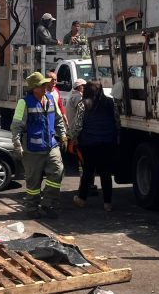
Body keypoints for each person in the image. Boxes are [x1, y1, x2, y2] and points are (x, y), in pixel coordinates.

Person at [11, 71, 67, 218]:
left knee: (57, 172)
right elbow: (16, 126)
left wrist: (63, 135)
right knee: (33, 182)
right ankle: (32, 208)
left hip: (51, 146)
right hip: (32, 150)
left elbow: (58, 119)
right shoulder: (24, 103)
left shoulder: (50, 99)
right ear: (34, 88)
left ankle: (49, 203)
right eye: (42, 85)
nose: (45, 86)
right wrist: (17, 145)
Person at [70, 80, 120, 212]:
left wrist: (73, 138)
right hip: (107, 142)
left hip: (89, 143)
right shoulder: (111, 102)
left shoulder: (83, 104)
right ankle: (107, 203)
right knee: (105, 173)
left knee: (88, 171)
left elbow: (78, 125)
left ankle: (81, 199)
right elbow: (117, 121)